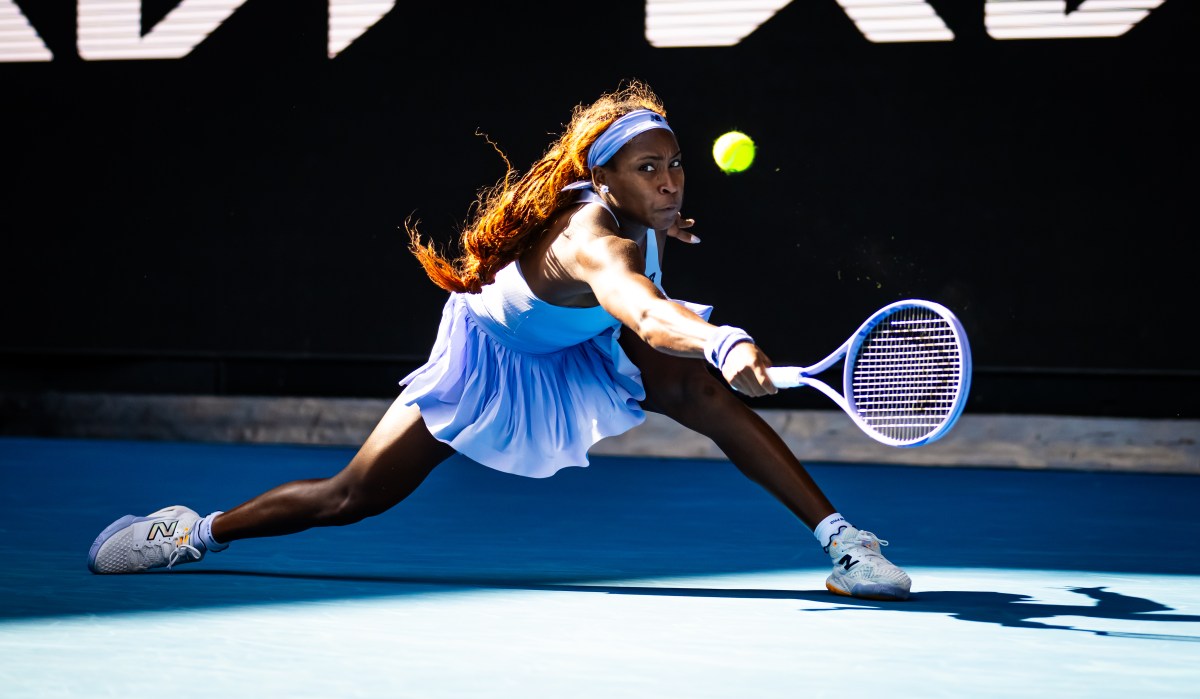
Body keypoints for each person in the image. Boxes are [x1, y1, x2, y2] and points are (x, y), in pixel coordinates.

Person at [87, 81, 911, 601]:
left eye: (676, 166)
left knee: (700, 394)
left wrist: (673, 254)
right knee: (353, 497)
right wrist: (724, 338)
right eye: (648, 171)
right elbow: (644, 307)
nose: (668, 181)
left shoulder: (641, 215)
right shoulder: (598, 240)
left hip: (582, 337)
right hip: (492, 354)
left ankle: (844, 541)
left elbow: (643, 297)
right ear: (605, 180)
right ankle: (195, 531)